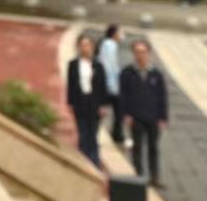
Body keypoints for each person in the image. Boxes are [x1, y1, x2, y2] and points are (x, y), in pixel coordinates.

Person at [117, 38, 169, 187]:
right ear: (133, 53)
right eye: (137, 52)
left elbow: (162, 96)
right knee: (137, 148)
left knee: (153, 148)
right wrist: (125, 114)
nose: (141, 55)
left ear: (149, 53)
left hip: (153, 117)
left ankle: (155, 177)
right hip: (135, 117)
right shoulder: (127, 73)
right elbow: (123, 96)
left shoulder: (156, 74)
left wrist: (163, 117)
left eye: (143, 52)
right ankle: (139, 176)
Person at [66, 34, 110, 167]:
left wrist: (103, 104)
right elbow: (71, 85)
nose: (85, 48)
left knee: (93, 133)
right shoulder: (73, 65)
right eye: (82, 45)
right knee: (83, 132)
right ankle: (83, 160)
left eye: (88, 45)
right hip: (80, 102)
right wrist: (70, 102)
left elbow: (103, 86)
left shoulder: (98, 66)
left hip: (94, 103)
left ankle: (94, 160)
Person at [98, 24, 126, 145]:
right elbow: (108, 66)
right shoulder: (109, 46)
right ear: (114, 34)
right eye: (120, 32)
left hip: (111, 84)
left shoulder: (109, 45)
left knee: (118, 110)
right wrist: (111, 85)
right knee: (116, 109)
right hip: (110, 86)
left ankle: (117, 134)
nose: (122, 35)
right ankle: (116, 135)